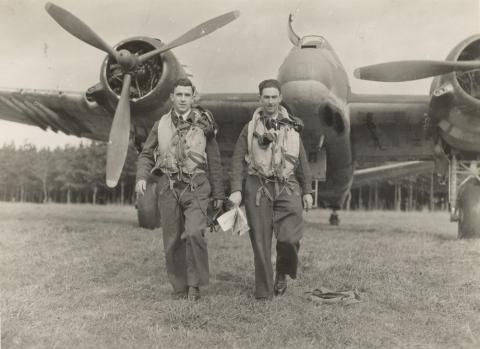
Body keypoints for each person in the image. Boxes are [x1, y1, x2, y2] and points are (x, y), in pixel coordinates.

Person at [136, 78, 224, 301]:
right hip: (168, 185)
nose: (183, 99)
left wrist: (219, 194)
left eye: (187, 95)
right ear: (172, 97)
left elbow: (214, 160)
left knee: (194, 232)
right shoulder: (160, 124)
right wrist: (141, 177)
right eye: (179, 95)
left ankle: (195, 285)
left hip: (197, 184)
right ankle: (179, 287)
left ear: (193, 97)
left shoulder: (205, 124)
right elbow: (147, 154)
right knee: (172, 239)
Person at [229, 79, 313, 300]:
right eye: (266, 97)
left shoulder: (293, 126)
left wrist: (307, 191)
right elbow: (238, 159)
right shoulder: (249, 129)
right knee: (261, 242)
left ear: (280, 98)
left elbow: (302, 160)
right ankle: (264, 294)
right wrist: (237, 189)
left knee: (289, 237)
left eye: (274, 97)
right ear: (260, 99)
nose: (270, 101)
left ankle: (283, 272)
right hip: (258, 185)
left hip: (287, 185)